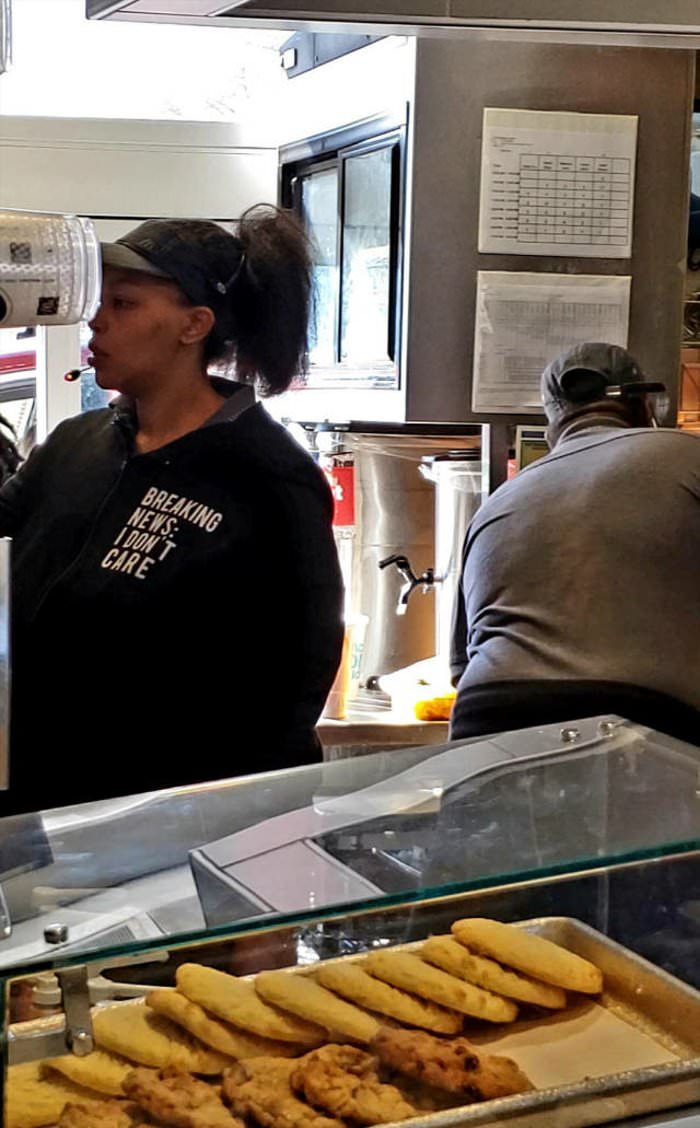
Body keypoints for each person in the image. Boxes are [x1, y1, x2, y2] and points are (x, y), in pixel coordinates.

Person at [0, 208, 344, 815]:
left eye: (124, 304)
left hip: (167, 828)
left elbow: (293, 685)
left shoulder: (269, 477)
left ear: (194, 325)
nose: (96, 321)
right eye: (100, 302)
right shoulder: (75, 445)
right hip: (40, 816)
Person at [450, 341, 700, 745]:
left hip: (487, 715)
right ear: (644, 407)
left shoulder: (497, 502)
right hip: (642, 714)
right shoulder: (688, 454)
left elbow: (461, 666)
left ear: (553, 422)